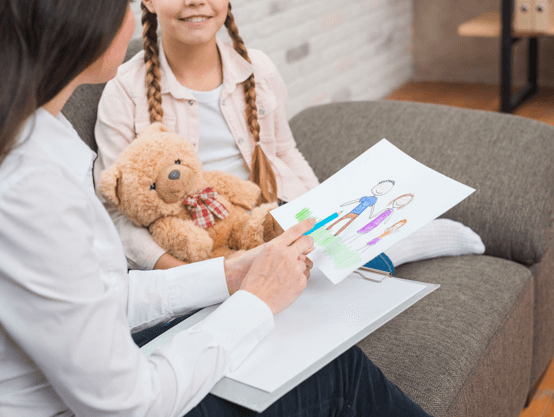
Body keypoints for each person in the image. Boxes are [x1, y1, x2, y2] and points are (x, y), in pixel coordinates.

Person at [0, 1, 432, 416]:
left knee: (341, 269)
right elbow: (129, 404)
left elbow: (104, 292)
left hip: (243, 225)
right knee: (338, 371)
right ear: (78, 22)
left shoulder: (43, 134)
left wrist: (232, 274)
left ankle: (405, 241)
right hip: (98, 399)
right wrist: (256, 301)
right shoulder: (33, 191)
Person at [94, 0, 485, 275]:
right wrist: (178, 272)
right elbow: (114, 210)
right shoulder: (123, 91)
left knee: (315, 246)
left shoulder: (257, 68)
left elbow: (285, 151)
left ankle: (383, 246)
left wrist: (321, 214)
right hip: (194, 246)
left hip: (266, 216)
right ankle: (383, 255)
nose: (195, 2)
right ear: (147, 0)